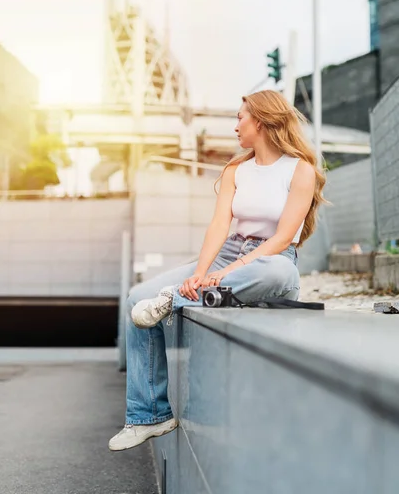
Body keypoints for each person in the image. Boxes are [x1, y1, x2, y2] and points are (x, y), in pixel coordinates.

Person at [108, 89, 326, 452]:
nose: (235, 125)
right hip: (228, 255)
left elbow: (284, 237)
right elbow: (217, 228)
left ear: (262, 120)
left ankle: (173, 299)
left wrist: (224, 275)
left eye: (241, 117)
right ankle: (149, 415)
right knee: (137, 299)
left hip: (269, 259)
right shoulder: (235, 170)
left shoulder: (301, 169)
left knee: (279, 275)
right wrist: (202, 272)